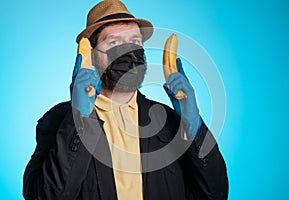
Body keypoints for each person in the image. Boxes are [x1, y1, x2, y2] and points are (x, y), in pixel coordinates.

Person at [23, 0, 228, 199]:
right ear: (91, 56)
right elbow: (44, 195)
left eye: (135, 42)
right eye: (114, 42)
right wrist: (80, 120)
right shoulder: (55, 121)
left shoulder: (168, 122)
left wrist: (193, 127)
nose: (129, 51)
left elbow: (215, 194)